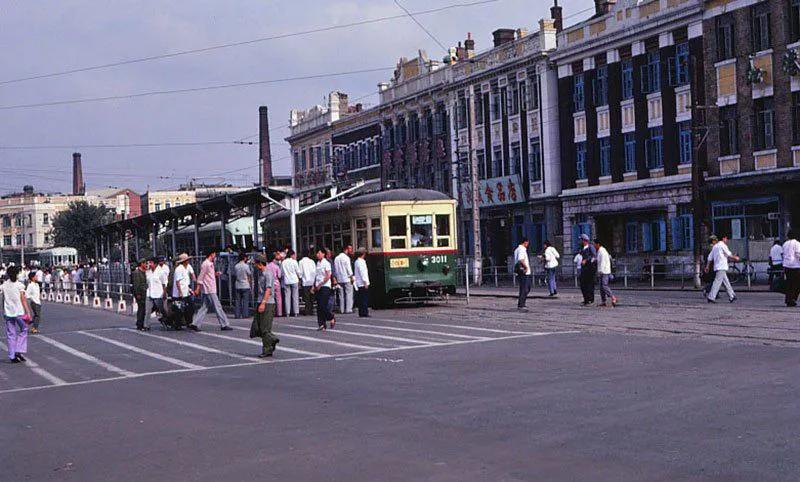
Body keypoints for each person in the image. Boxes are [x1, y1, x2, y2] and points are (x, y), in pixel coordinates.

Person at [191, 250, 232, 331]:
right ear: (212, 254)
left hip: (210, 288)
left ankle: (195, 323)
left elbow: (207, 275)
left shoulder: (210, 264)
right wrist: (198, 288)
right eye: (214, 254)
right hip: (209, 289)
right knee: (218, 306)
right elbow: (201, 276)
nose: (215, 256)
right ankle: (224, 324)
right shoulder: (206, 264)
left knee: (204, 307)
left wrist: (215, 274)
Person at [251, 254, 279, 358]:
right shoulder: (260, 273)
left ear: (260, 263)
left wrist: (263, 303)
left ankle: (270, 344)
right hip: (260, 300)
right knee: (257, 327)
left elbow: (268, 289)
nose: (255, 266)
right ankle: (270, 345)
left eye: (256, 264)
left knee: (265, 328)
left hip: (267, 303)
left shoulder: (268, 274)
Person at [3, 265, 30, 363]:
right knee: (24, 329)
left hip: (8, 312)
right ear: (17, 274)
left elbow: (3, 299)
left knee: (11, 334)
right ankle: (18, 349)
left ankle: (12, 355)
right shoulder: (20, 285)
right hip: (19, 312)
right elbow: (23, 299)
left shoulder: (4, 285)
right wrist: (28, 311)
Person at [705, 235, 739, 303]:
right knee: (717, 282)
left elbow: (709, 258)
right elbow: (728, 253)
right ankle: (711, 297)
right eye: (726, 238)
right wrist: (735, 257)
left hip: (717, 267)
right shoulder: (722, 245)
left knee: (726, 282)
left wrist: (707, 266)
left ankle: (732, 295)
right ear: (723, 238)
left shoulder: (715, 247)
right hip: (722, 266)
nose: (726, 239)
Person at [313, 247, 335, 330]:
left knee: (323, 305)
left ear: (323, 254)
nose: (318, 255)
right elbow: (316, 275)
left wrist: (321, 283)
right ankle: (321, 324)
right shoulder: (317, 263)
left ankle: (331, 317)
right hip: (318, 286)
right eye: (317, 253)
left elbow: (328, 275)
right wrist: (314, 285)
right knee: (319, 306)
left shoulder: (326, 263)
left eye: (319, 253)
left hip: (325, 286)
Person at [170, 253, 194, 330]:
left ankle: (188, 322)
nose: (188, 261)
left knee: (189, 307)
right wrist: (180, 292)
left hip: (186, 291)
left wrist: (190, 289)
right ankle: (177, 324)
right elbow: (178, 282)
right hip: (179, 294)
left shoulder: (187, 267)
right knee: (179, 310)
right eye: (187, 260)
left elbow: (187, 281)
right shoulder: (179, 269)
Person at [594, 239, 617, 307]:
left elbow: (602, 262)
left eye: (594, 244)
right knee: (601, 287)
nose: (594, 245)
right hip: (603, 270)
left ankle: (613, 297)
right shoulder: (600, 251)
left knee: (604, 285)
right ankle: (603, 301)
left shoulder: (602, 251)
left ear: (598, 244)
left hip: (604, 271)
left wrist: (599, 271)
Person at [146, 258, 168, 327]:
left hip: (158, 294)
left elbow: (164, 283)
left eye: (151, 263)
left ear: (155, 264)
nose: (149, 264)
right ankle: (146, 325)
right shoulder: (148, 272)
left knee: (162, 310)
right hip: (149, 293)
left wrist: (164, 293)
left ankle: (165, 320)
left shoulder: (161, 272)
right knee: (147, 310)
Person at [334, 245, 355, 314]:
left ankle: (342, 309)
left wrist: (336, 278)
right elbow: (348, 268)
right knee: (349, 294)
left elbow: (336, 269)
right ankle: (348, 309)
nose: (351, 250)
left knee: (341, 295)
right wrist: (351, 276)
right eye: (350, 249)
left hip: (339, 278)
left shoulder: (336, 258)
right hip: (347, 278)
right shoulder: (346, 258)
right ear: (346, 249)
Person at [782, 230, 800, 307]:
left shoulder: (785, 244)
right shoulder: (797, 244)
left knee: (789, 283)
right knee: (796, 284)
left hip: (786, 266)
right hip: (795, 266)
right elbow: (798, 254)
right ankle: (793, 299)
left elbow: (783, 254)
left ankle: (788, 299)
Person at [578, 234, 597, 306]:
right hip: (584, 268)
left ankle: (590, 299)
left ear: (584, 240)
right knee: (583, 284)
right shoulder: (582, 248)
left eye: (581, 240)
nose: (580, 241)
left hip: (590, 268)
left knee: (589, 284)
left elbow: (594, 256)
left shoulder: (590, 247)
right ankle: (586, 299)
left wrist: (586, 260)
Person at [513, 238, 532, 311]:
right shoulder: (521, 249)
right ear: (525, 242)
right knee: (525, 288)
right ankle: (521, 304)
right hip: (524, 272)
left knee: (524, 288)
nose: (528, 245)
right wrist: (526, 267)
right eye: (527, 243)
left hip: (520, 272)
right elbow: (521, 259)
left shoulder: (517, 249)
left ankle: (521, 303)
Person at [132, 259, 150, 331]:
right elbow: (136, 284)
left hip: (144, 293)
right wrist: (138, 294)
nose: (146, 265)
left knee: (143, 309)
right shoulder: (137, 272)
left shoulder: (144, 272)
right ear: (141, 264)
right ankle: (140, 324)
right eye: (145, 263)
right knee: (141, 309)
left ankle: (141, 323)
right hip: (140, 293)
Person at [282, 249, 301, 317]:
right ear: (292, 255)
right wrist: (300, 277)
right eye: (294, 254)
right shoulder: (294, 262)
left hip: (286, 280)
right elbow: (298, 271)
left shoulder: (283, 262)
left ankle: (288, 312)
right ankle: (296, 312)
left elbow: (282, 272)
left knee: (287, 297)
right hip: (294, 280)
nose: (295, 256)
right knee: (295, 296)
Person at [233, 253, 252, 319]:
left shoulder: (236, 266)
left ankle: (237, 314)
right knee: (245, 301)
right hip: (245, 284)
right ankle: (245, 314)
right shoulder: (246, 266)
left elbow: (235, 274)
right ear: (244, 258)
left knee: (238, 301)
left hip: (238, 284)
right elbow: (249, 274)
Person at [299, 250, 317, 316]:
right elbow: (315, 271)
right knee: (312, 297)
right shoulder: (312, 261)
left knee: (306, 298)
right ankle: (311, 310)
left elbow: (300, 273)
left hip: (305, 282)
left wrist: (300, 279)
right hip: (312, 281)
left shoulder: (301, 262)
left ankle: (307, 311)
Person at [354, 248, 370, 317]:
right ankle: (364, 312)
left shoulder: (356, 261)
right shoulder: (362, 262)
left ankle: (361, 312)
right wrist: (365, 282)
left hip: (359, 282)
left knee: (361, 298)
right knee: (364, 298)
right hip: (362, 282)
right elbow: (363, 272)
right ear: (363, 254)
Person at [267, 250, 284, 317]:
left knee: (270, 298)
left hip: (270, 283)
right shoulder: (276, 266)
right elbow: (279, 275)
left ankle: (271, 312)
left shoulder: (267, 266)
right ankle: (279, 312)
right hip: (276, 283)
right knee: (278, 298)